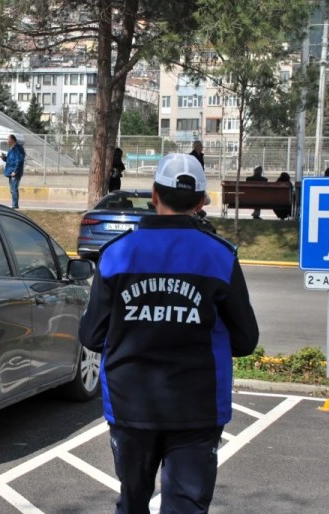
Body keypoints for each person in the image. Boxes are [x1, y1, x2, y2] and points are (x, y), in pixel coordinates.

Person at [79, 153, 259, 514]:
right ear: (200, 202)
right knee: (186, 506)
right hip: (198, 407)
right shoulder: (219, 257)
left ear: (154, 195)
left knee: (132, 502)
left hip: (132, 406)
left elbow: (92, 335)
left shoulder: (116, 255)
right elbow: (245, 340)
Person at [1, 134, 25, 209]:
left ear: (12, 140)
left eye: (8, 139)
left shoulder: (18, 148)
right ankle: (14, 204)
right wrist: (4, 158)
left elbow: (19, 160)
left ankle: (14, 205)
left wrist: (15, 171)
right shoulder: (11, 148)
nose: (6, 141)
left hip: (14, 172)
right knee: (12, 189)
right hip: (10, 172)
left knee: (14, 189)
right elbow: (9, 160)